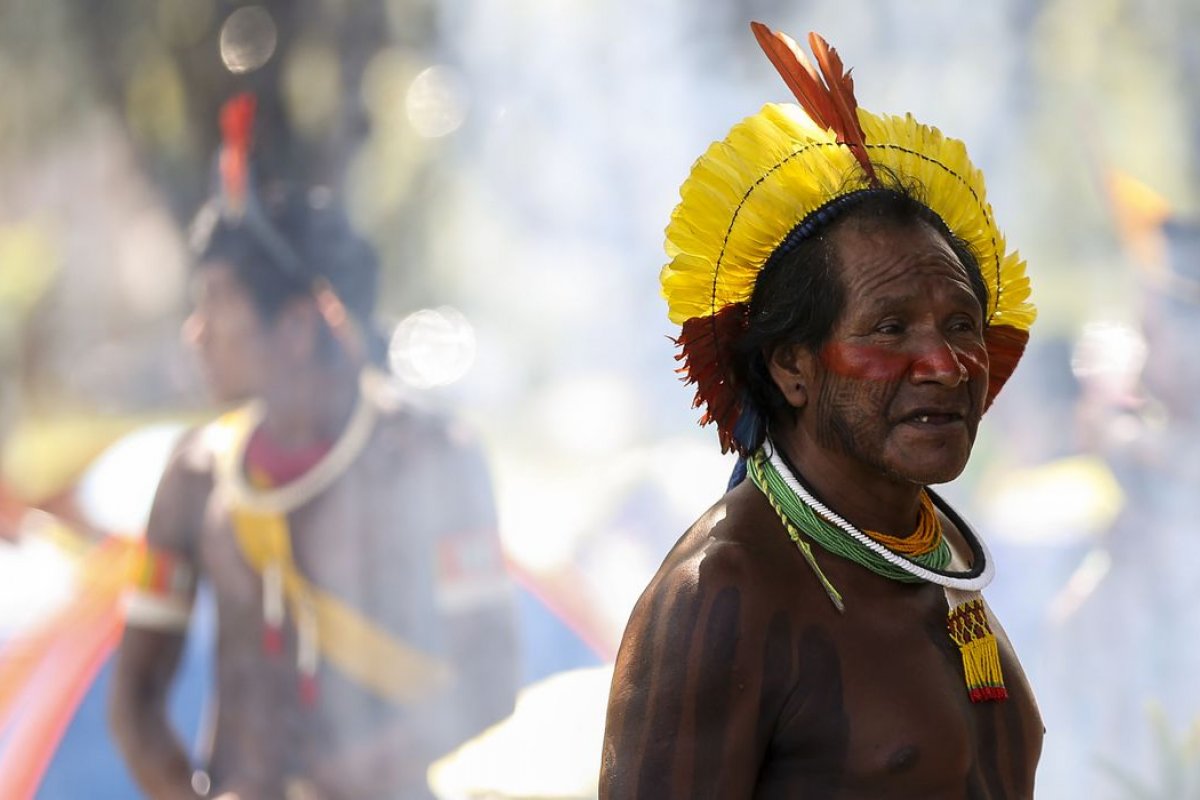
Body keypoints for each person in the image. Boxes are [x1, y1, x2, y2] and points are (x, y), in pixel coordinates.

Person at [600, 23, 1043, 798]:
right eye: (890, 328)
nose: (945, 365)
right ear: (792, 367)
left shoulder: (932, 557)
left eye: (961, 324)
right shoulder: (723, 593)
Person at [108, 94, 519, 799]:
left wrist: (342, 781)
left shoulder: (433, 457)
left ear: (297, 326)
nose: (195, 333)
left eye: (216, 304)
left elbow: (487, 680)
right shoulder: (194, 476)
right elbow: (134, 702)